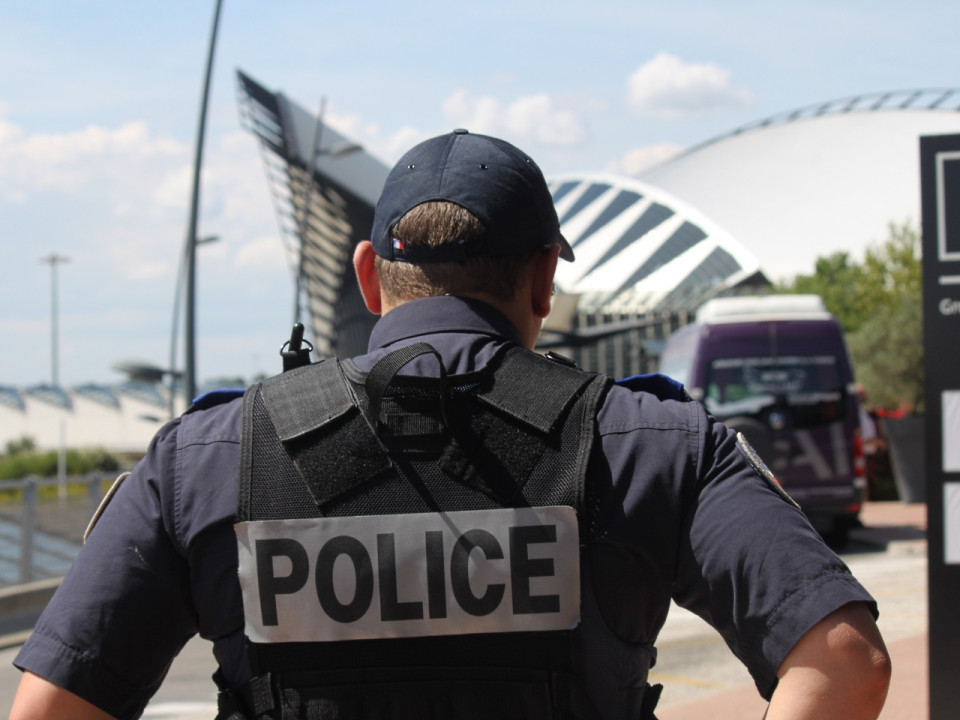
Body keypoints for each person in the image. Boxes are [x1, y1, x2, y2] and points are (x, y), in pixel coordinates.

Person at [10, 129, 890, 720]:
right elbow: (848, 661)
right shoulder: (652, 443)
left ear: (368, 276)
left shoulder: (208, 456)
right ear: (545, 281)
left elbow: (52, 708)